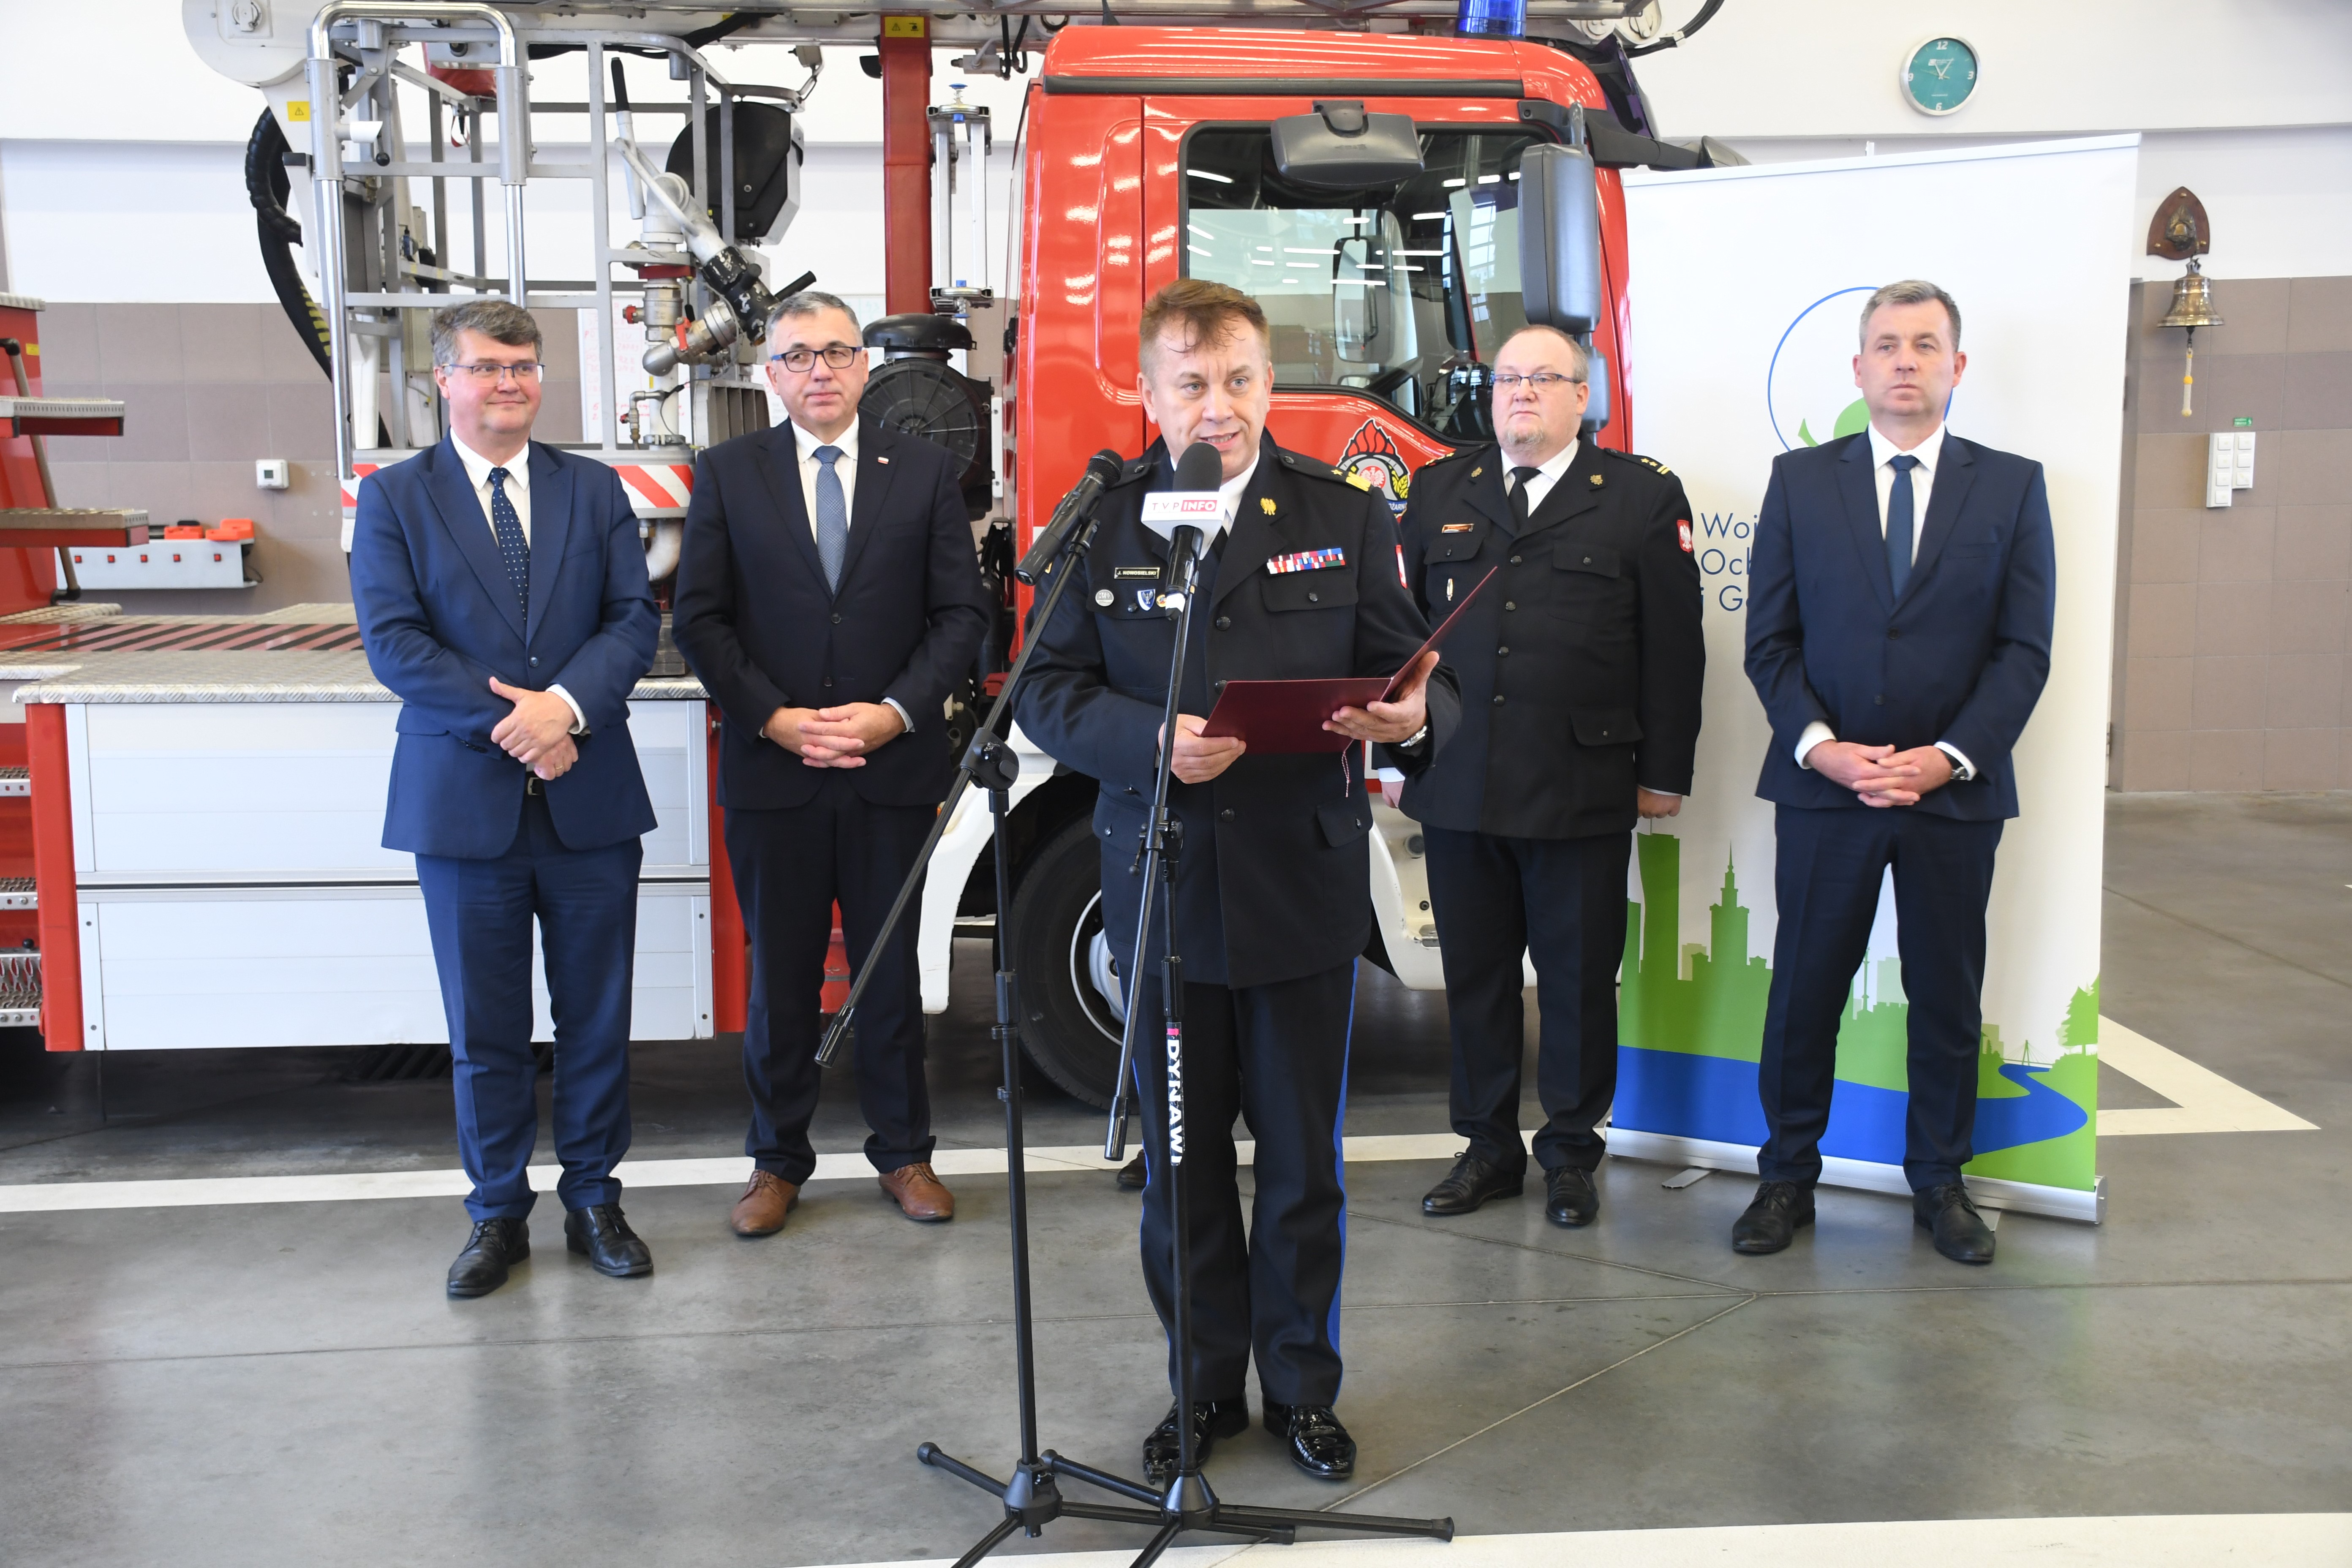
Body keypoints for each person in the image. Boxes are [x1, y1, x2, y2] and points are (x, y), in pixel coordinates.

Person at [1016, 279, 1460, 1486]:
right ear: (1148, 391)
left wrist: (1412, 716)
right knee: (1182, 1166)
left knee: (1304, 1166)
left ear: (1270, 382)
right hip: (1161, 889)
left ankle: (1303, 1391)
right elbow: (1045, 692)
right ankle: (1203, 1388)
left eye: (1241, 379)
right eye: (1193, 382)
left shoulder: (1341, 513)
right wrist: (1147, 741)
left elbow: (1417, 676)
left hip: (1299, 888)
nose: (1218, 405)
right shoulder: (1105, 522)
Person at [1738, 279, 2055, 1266]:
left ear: (1957, 365)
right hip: (1825, 791)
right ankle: (1786, 1175)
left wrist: (1950, 756)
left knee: (1947, 998)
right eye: (1887, 343)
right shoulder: (1800, 482)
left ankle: (1941, 1183)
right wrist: (1822, 746)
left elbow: (2024, 650)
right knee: (1803, 992)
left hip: (1953, 796)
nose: (1905, 359)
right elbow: (1770, 641)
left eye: (1925, 344)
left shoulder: (2012, 486)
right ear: (1859, 366)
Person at [350, 299, 661, 1298]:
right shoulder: (395, 498)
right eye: (487, 366)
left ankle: (596, 1200)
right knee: (484, 1029)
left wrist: (563, 709)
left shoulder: (594, 489)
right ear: (444, 378)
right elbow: (395, 643)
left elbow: (632, 621)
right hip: (463, 803)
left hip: (588, 798)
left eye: (524, 366)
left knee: (596, 1018)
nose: (509, 383)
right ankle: (496, 1214)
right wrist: (520, 724)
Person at [672, 291, 991, 1237]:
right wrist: (774, 720)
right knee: (782, 977)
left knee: (889, 973)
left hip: (892, 769)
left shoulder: (925, 472)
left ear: (865, 366)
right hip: (776, 773)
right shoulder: (729, 474)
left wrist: (895, 714)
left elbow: (961, 616)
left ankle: (905, 1153)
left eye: (839, 352)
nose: (820, 370)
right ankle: (776, 1161)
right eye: (799, 355)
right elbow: (701, 619)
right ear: (770, 374)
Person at [1400, 325, 1704, 1229]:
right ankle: (1487, 1147)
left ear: (1583, 396)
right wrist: (1395, 755)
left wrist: (1664, 772)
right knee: (1477, 977)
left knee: (1575, 979)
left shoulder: (1639, 496)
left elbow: (1675, 649)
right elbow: (1398, 638)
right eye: (1507, 379)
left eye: (1543, 378)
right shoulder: (1438, 489)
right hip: (1459, 779)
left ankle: (1571, 1153)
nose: (1522, 393)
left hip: (1582, 780)